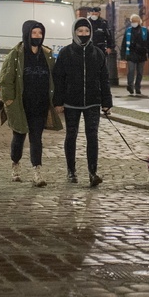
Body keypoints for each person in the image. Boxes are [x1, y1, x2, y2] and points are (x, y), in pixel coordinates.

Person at [0, 20, 62, 187]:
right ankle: (15, 164)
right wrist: (9, 100)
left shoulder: (47, 55)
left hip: (40, 104)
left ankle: (37, 172)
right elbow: (6, 80)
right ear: (27, 34)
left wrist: (56, 100)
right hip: (21, 105)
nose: (37, 37)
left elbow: (54, 79)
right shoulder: (16, 54)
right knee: (19, 137)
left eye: (40, 33)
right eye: (34, 33)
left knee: (36, 139)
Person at [53, 18, 113, 187]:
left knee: (92, 137)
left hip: (93, 102)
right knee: (71, 135)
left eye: (86, 31)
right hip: (71, 102)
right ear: (74, 32)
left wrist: (107, 102)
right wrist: (58, 101)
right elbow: (58, 79)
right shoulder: (66, 53)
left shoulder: (98, 53)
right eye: (80, 31)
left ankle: (92, 172)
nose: (84, 34)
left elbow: (104, 79)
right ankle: (71, 171)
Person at [119, 14, 149, 96]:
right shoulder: (128, 31)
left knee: (140, 72)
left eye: (135, 21)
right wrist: (122, 55)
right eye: (132, 21)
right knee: (131, 71)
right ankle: (130, 86)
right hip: (131, 54)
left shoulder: (144, 31)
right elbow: (124, 43)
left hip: (141, 54)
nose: (133, 23)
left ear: (139, 21)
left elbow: (148, 43)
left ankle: (137, 87)